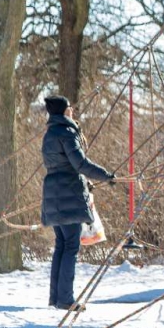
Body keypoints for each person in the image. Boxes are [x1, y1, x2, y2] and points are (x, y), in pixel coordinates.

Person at [41, 95, 118, 310]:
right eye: (70, 108)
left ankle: (56, 297)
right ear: (65, 111)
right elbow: (80, 163)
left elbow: (64, 165)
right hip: (68, 194)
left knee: (61, 245)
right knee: (71, 246)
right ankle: (65, 299)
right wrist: (105, 176)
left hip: (53, 193)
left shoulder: (49, 134)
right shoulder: (66, 133)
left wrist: (86, 181)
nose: (72, 110)